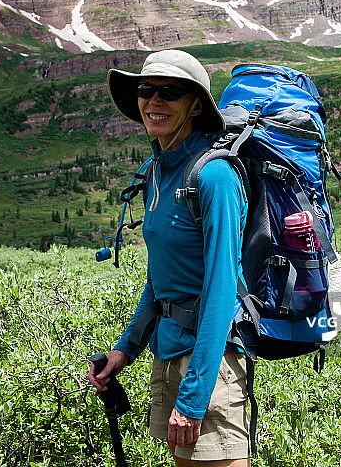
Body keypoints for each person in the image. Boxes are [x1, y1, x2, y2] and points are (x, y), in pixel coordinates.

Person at [88, 49, 251, 466]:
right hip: (169, 353)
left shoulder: (214, 176)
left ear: (196, 105)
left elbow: (220, 290)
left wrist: (196, 395)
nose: (154, 101)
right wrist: (125, 351)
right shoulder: (156, 170)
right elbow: (161, 281)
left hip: (211, 364)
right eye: (146, 89)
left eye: (171, 93)